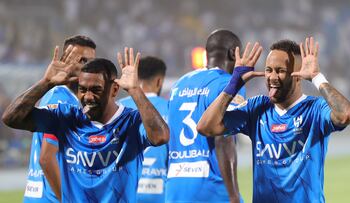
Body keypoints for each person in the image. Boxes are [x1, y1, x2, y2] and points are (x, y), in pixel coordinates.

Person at [197, 37, 350, 203]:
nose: (272, 77)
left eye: (280, 71)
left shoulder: (314, 109)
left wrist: (317, 77)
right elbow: (205, 127)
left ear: (297, 75)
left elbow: (346, 115)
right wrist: (233, 84)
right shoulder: (257, 108)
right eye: (268, 70)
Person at [2, 47, 169, 202]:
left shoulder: (130, 121)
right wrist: (46, 82)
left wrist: (135, 90)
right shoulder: (66, 117)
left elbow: (161, 136)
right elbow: (11, 118)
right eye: (83, 89)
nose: (88, 97)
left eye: (96, 90)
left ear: (114, 90)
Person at [166, 29, 245, 203]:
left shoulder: (179, 85)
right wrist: (233, 196)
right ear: (233, 53)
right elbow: (224, 139)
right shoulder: (229, 83)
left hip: (175, 187)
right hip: (210, 186)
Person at [24, 35, 96, 203]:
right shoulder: (60, 99)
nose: (88, 68)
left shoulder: (66, 98)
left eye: (91, 62)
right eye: (82, 61)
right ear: (66, 60)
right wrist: (69, 199)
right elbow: (47, 158)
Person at [117, 56, 168, 203]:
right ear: (159, 81)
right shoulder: (170, 108)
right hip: (160, 193)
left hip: (125, 193)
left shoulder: (118, 108)